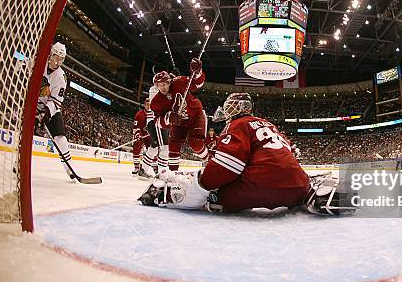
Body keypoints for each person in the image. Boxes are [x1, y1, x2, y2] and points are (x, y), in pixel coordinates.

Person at [138, 93, 355, 216]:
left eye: (230, 107)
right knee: (295, 182)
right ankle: (315, 193)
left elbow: (226, 167)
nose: (227, 111)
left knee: (209, 194)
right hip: (297, 188)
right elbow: (286, 157)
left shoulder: (239, 124)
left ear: (237, 109)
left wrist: (201, 185)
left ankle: (166, 195)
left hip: (257, 189)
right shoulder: (268, 124)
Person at [150, 58, 209, 170]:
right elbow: (157, 121)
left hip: (195, 115)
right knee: (173, 146)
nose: (162, 88)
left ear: (169, 82)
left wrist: (197, 72)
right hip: (179, 123)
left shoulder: (179, 82)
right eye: (159, 85)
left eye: (164, 84)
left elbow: (198, 84)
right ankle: (172, 173)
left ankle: (208, 160)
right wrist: (168, 118)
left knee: (195, 143)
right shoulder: (156, 101)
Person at [35, 42, 75, 181]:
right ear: (50, 55)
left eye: (61, 59)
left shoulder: (61, 77)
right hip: (32, 105)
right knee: (25, 134)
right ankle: (19, 162)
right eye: (56, 57)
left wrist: (46, 113)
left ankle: (69, 168)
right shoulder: (38, 62)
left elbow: (56, 100)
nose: (57, 62)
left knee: (60, 137)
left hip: (49, 107)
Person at [132, 97, 153, 176]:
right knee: (136, 147)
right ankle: (136, 167)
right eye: (147, 104)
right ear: (144, 105)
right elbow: (135, 127)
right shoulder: (139, 114)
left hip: (150, 135)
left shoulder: (154, 114)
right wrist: (137, 135)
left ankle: (155, 168)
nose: (148, 106)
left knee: (152, 150)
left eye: (150, 105)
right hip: (141, 135)